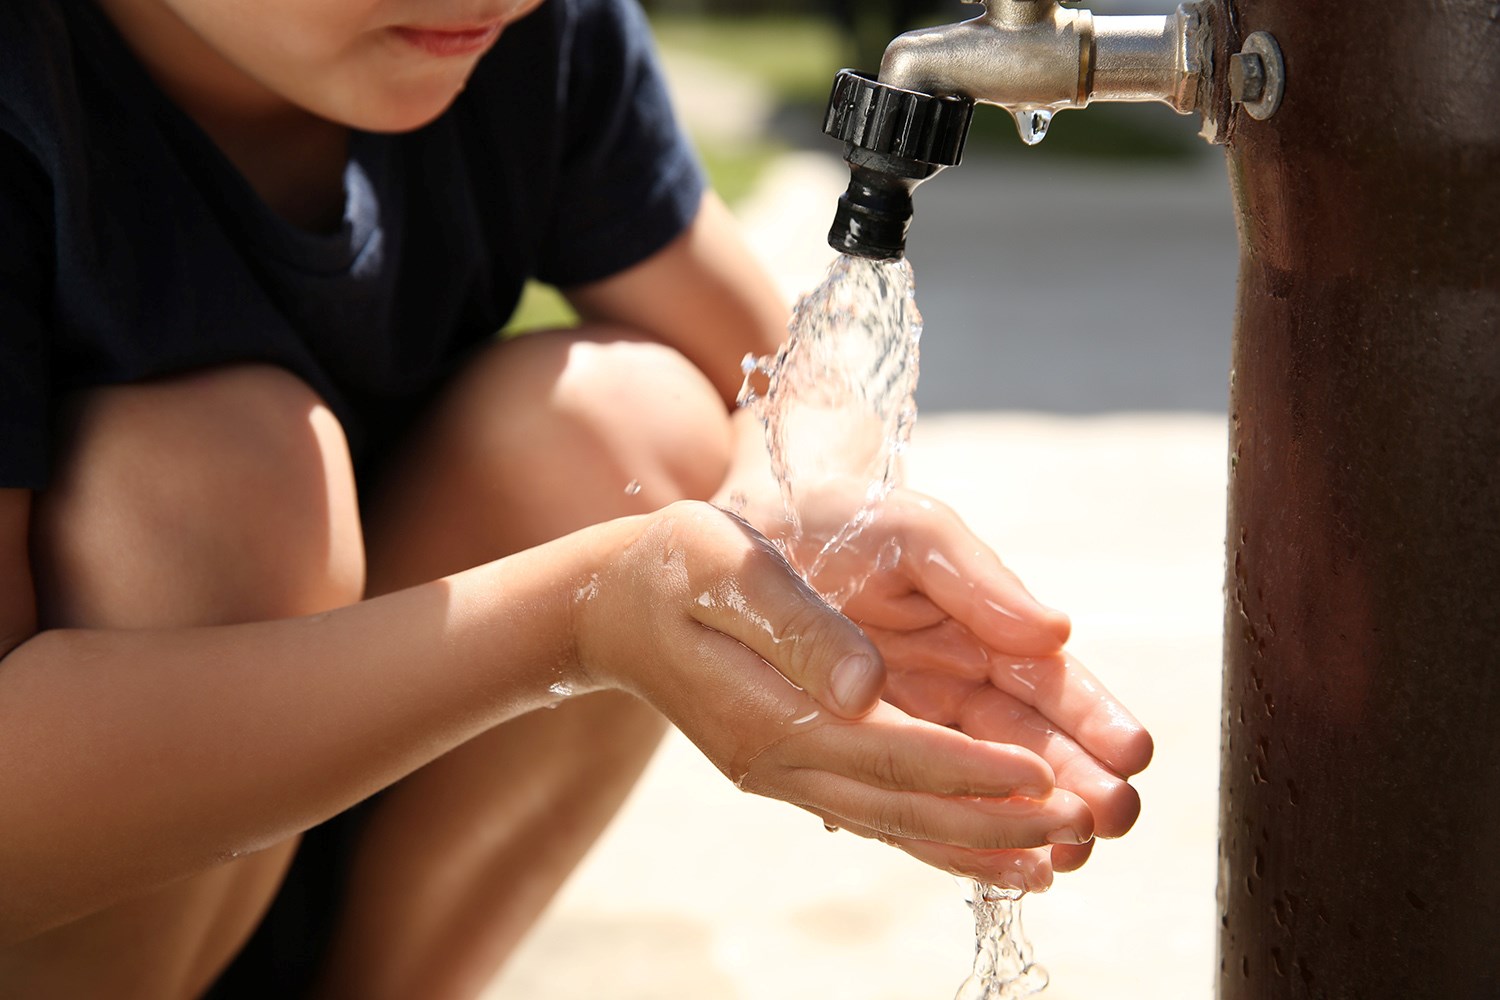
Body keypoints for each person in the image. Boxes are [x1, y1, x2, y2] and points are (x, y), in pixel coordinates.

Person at [0, 0, 1154, 996]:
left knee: (623, 423)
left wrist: (789, 518)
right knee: (218, 479)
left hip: (306, 873)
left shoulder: (506, 37)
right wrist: (579, 615)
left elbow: (789, 370)